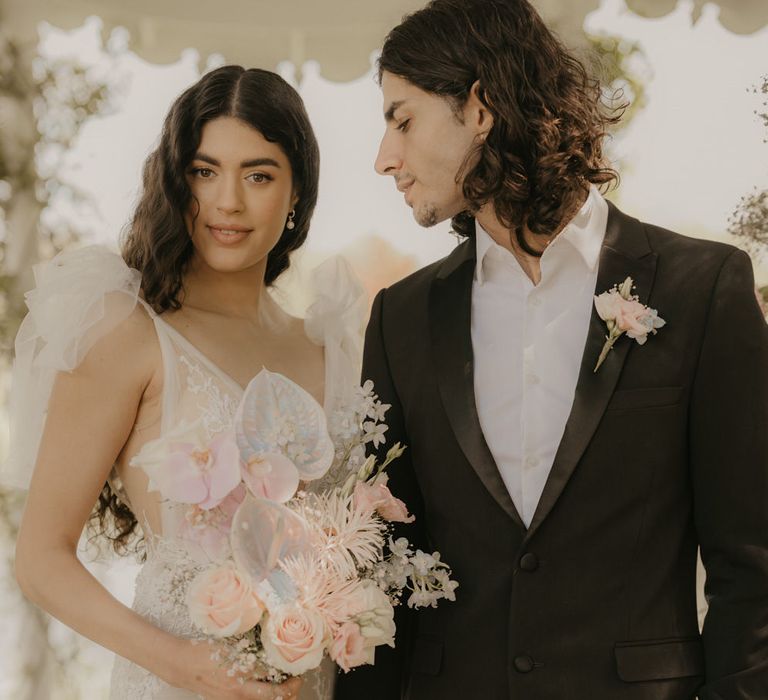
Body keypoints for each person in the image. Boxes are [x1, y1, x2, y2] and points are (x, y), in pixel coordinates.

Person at [335, 1, 768, 698]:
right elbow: (381, 571)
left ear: (479, 108)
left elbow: (752, 565)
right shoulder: (400, 319)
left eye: (403, 119)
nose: (385, 158)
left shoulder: (703, 287)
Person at [8, 65, 365, 700]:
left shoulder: (331, 348)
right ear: (177, 182)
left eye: (259, 175)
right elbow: (40, 560)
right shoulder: (128, 332)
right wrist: (182, 665)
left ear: (297, 193)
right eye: (204, 172)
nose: (228, 202)